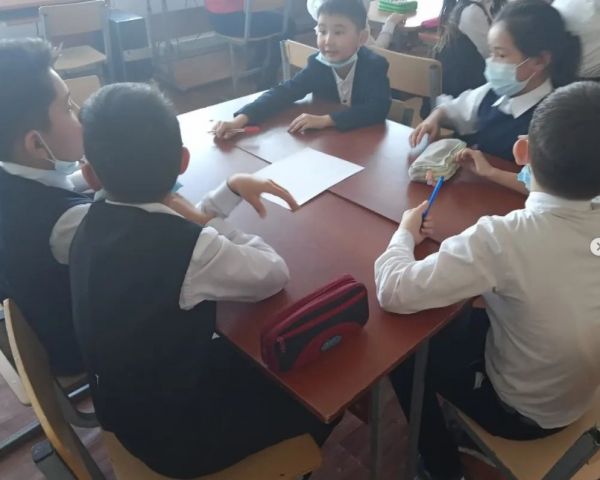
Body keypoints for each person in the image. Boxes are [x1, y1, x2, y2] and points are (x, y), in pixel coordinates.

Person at [70, 82, 336, 478]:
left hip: (122, 409)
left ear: (90, 175)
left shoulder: (87, 222)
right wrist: (208, 222)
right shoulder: (187, 249)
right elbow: (273, 272)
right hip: (180, 441)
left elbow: (170, 224)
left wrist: (226, 193)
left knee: (252, 350)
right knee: (328, 385)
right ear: (184, 161)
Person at [376, 81, 600, 480]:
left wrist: (404, 233)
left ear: (522, 151)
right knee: (469, 311)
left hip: (523, 414)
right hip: (581, 394)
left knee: (403, 354)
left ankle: (442, 467)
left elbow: (393, 290)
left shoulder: (502, 238)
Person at [0, 38, 90, 375]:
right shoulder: (67, 222)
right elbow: (155, 247)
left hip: (39, 329)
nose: (79, 113)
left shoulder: (10, 175)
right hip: (79, 348)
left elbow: (55, 186)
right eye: (67, 107)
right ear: (37, 144)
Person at [411, 0, 581, 162]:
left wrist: (492, 173)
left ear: (539, 61)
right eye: (491, 53)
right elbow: (455, 108)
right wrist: (435, 117)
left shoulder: (553, 118)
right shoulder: (493, 92)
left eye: (501, 55)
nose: (491, 62)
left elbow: (537, 178)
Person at [214, 0, 390, 138]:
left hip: (366, 141)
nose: (328, 40)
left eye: (338, 32)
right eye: (322, 31)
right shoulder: (318, 65)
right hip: (332, 142)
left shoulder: (374, 66)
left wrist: (326, 120)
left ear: (361, 38)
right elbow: (284, 92)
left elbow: (377, 109)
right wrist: (241, 119)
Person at [434, 0, 507, 97]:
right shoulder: (472, 12)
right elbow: (492, 54)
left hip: (473, 80)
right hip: (463, 88)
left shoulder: (490, 4)